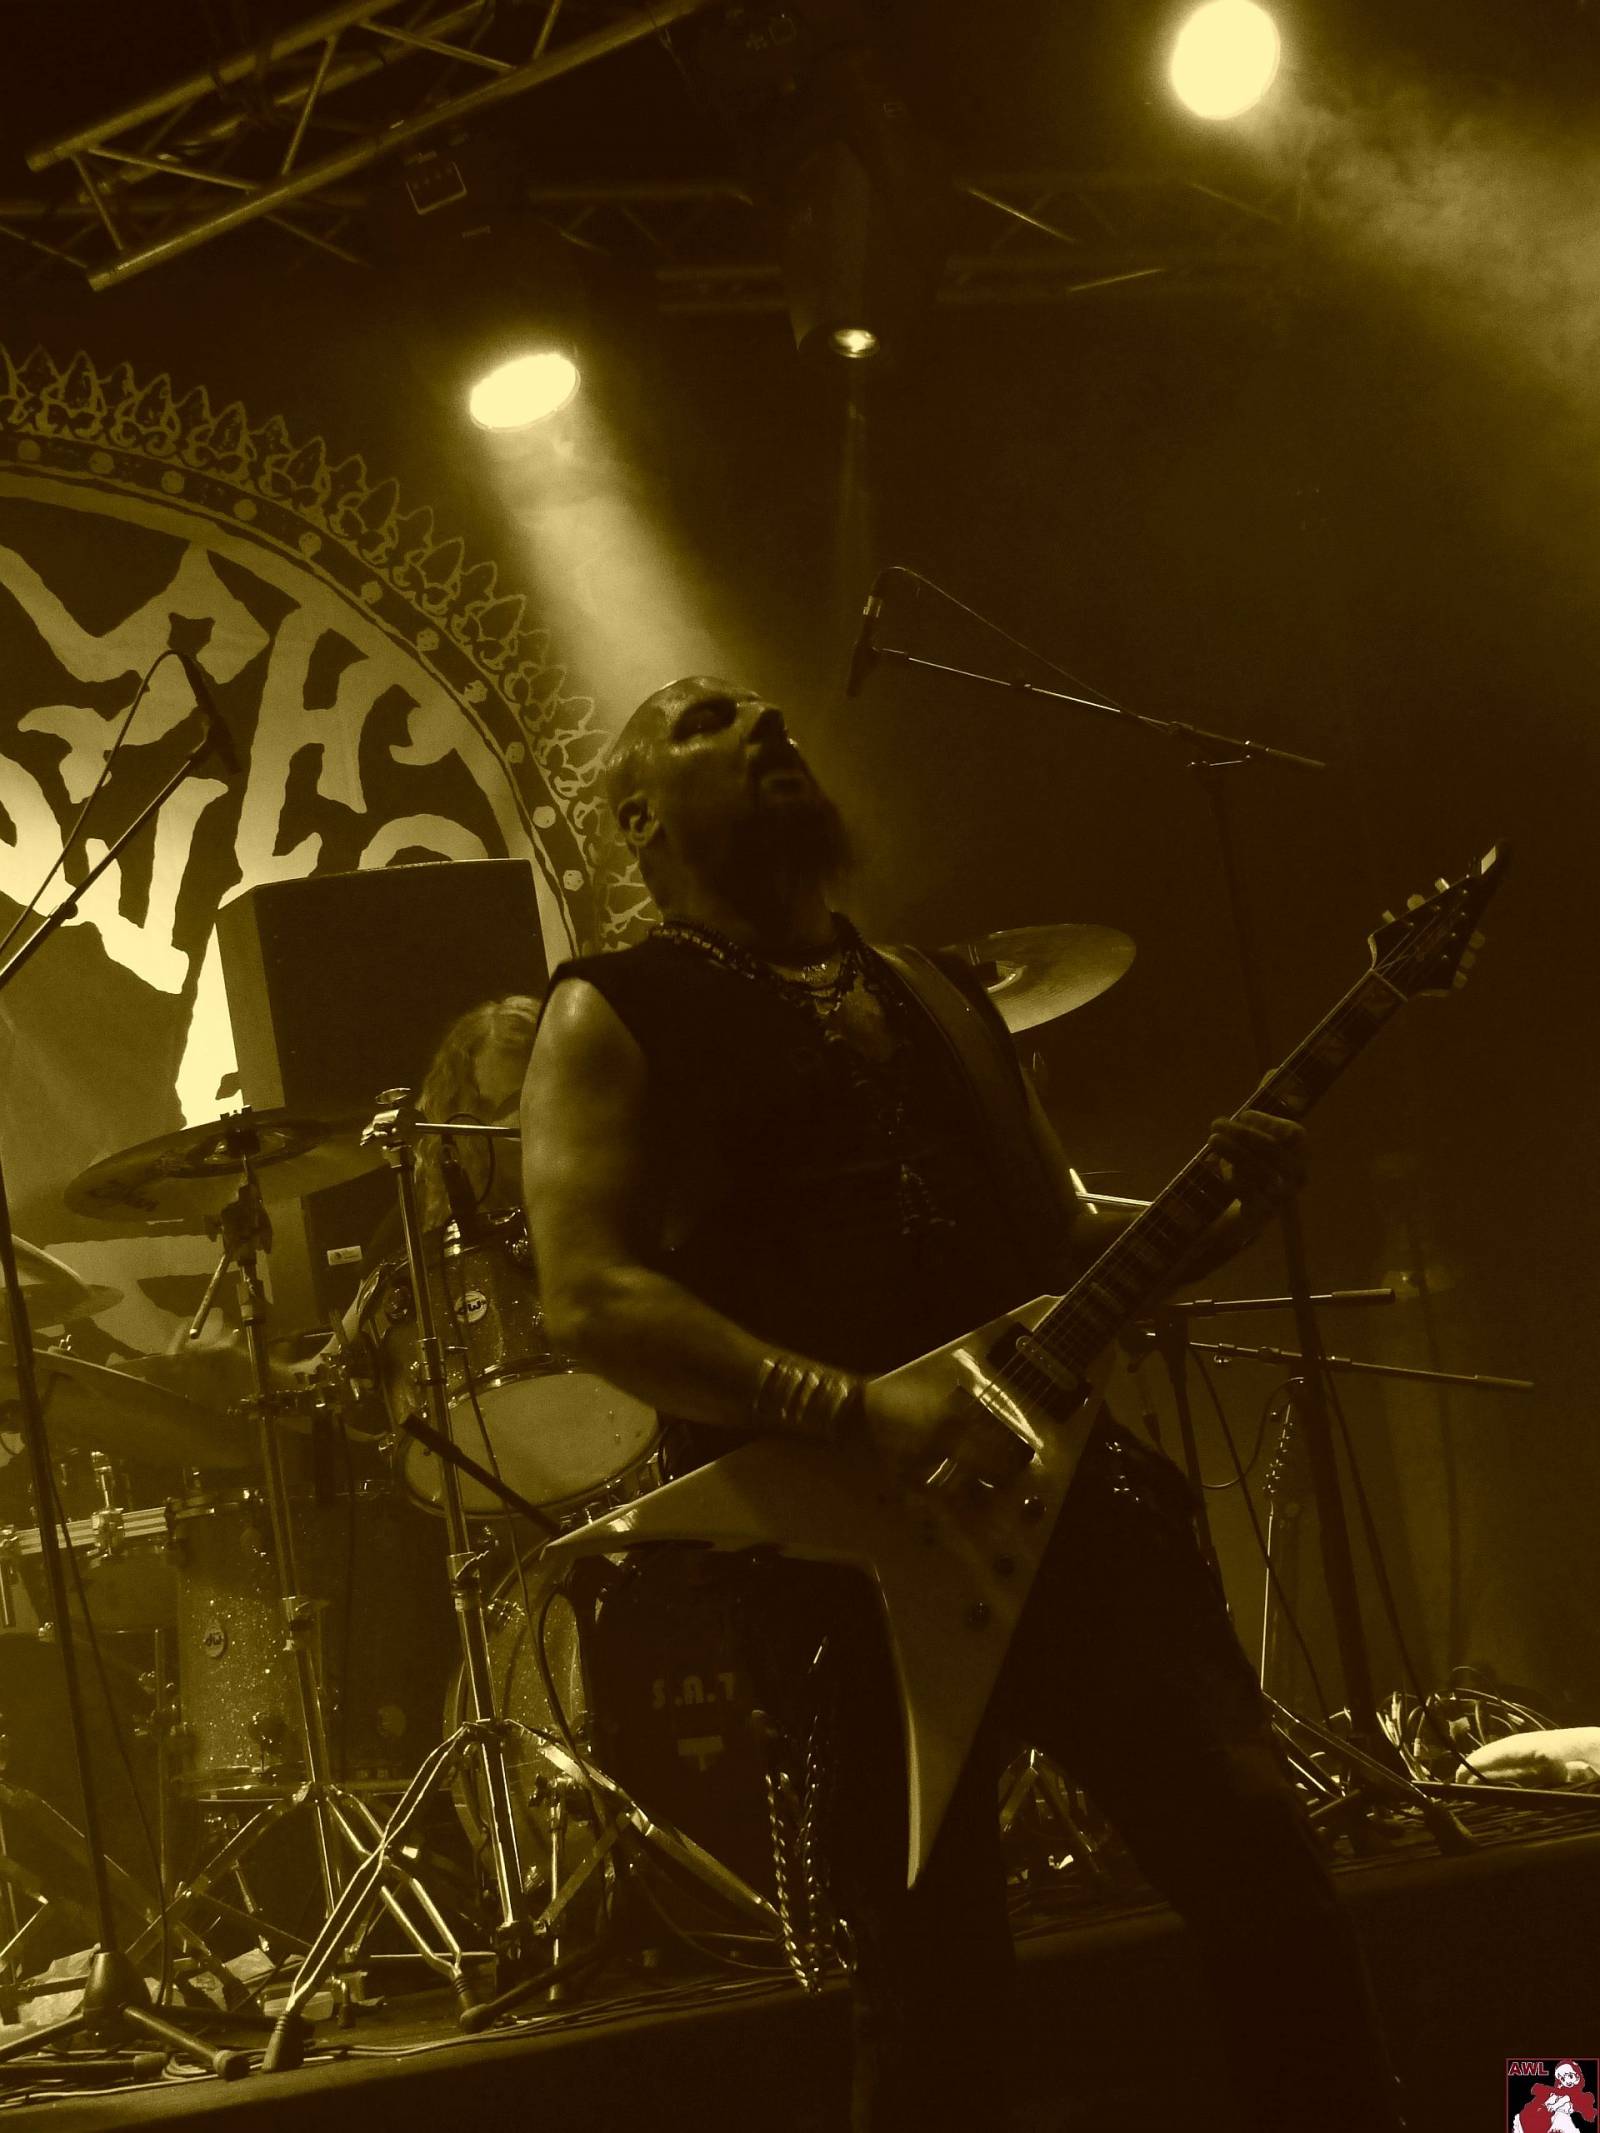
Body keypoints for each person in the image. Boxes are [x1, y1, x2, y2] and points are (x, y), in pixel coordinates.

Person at [520, 676, 1406, 2132]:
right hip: (838, 1558)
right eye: (704, 722)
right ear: (634, 819)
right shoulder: (614, 1009)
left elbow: (1055, 1242)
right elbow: (590, 1298)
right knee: (934, 1984)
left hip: (1073, 1502)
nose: (761, 721)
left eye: (764, 711)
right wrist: (851, 1410)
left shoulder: (934, 990)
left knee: (1271, 1879)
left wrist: (1209, 1214)